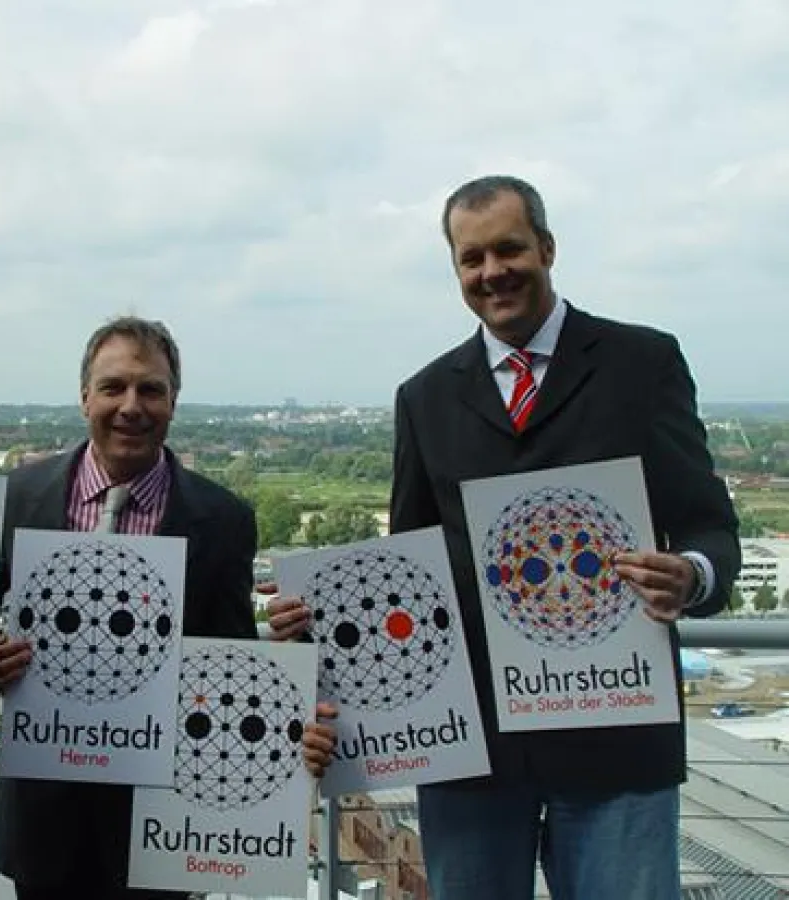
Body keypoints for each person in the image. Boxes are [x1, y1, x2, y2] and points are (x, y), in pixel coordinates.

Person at [273, 175, 740, 899]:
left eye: (508, 249)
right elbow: (406, 575)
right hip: (469, 755)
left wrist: (692, 574)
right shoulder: (423, 397)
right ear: (455, 269)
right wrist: (323, 623)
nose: (492, 272)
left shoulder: (641, 365)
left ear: (546, 248)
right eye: (471, 258)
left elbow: (710, 522)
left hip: (617, 738)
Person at [0, 316, 336, 900]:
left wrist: (290, 706)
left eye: (151, 389)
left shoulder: (223, 519)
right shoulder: (16, 497)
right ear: (84, 395)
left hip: (164, 828)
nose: (131, 406)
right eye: (113, 387)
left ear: (173, 402)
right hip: (44, 820)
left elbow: (233, 664)